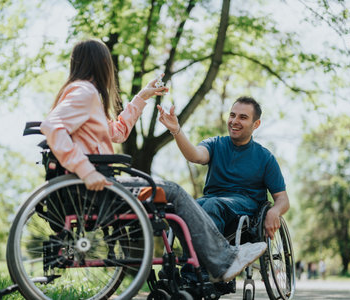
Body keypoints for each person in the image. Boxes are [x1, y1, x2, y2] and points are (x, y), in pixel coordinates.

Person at [40, 39, 267, 283]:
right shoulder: (85, 92)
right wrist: (86, 171)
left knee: (169, 197)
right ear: (102, 64)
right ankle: (222, 260)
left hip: (93, 186)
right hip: (94, 188)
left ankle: (202, 267)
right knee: (173, 192)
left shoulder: (86, 94)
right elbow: (52, 126)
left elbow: (117, 132)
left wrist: (142, 97)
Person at [157, 96, 290, 239]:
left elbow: (283, 199)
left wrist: (274, 212)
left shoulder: (265, 158)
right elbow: (195, 155)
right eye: (232, 115)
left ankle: (212, 259)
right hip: (212, 200)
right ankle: (194, 257)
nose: (235, 121)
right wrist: (176, 130)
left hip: (246, 209)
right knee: (186, 206)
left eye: (243, 117)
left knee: (213, 205)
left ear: (256, 124)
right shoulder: (215, 144)